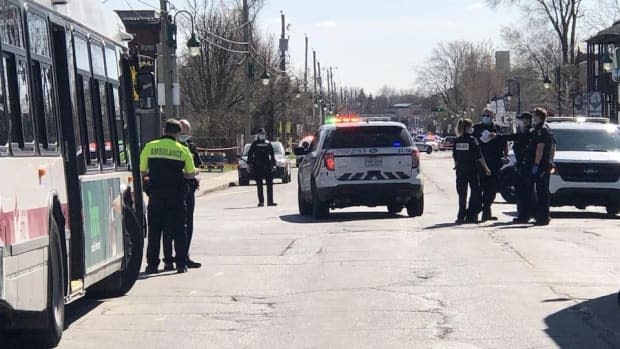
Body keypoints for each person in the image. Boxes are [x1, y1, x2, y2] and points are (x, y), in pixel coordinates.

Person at [140, 119, 196, 274]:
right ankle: (180, 264)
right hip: (176, 196)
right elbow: (190, 174)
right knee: (179, 230)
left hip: (156, 195)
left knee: (154, 231)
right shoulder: (183, 149)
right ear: (178, 134)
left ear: (164, 130)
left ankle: (152, 265)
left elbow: (143, 171)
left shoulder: (150, 147)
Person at [162, 119, 203, 271]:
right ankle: (169, 259)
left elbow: (197, 166)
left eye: (187, 132)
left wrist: (195, 174)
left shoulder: (190, 146)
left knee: (188, 225)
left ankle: (185, 256)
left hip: (188, 189)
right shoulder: (171, 146)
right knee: (170, 226)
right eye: (182, 132)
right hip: (173, 189)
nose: (184, 135)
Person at [453, 118, 492, 224]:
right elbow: (479, 156)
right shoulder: (472, 140)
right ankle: (471, 215)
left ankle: (461, 215)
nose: (472, 129)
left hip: (461, 170)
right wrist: (486, 168)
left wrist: (456, 166)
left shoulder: (457, 140)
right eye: (471, 127)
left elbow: (455, 156)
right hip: (472, 169)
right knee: (475, 191)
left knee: (462, 194)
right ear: (467, 128)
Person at [473, 108, 509, 222]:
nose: (486, 117)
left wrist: (505, 155)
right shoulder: (477, 128)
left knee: (492, 188)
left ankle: (487, 211)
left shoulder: (496, 128)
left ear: (492, 117)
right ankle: (476, 212)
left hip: (495, 162)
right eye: (484, 115)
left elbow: (504, 142)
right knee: (480, 188)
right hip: (480, 162)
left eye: (488, 116)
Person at [502, 113, 535, 223]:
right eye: (521, 120)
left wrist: (499, 136)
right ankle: (523, 214)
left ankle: (525, 215)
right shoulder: (522, 132)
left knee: (525, 192)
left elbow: (515, 138)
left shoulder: (530, 132)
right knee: (520, 192)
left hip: (527, 166)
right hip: (520, 164)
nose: (522, 122)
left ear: (529, 121)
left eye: (524, 120)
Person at [529, 108, 555, 226]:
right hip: (546, 163)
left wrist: (536, 164)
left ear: (538, 116)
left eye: (534, 115)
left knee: (541, 191)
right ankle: (545, 215)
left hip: (540, 165)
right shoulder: (548, 128)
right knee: (544, 190)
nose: (533, 118)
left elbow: (540, 147)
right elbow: (554, 146)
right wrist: (550, 160)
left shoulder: (540, 130)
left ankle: (542, 217)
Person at [248, 128, 277, 207]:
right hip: (258, 166)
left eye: (263, 134)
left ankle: (270, 201)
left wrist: (273, 164)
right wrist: (249, 164)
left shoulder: (268, 143)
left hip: (267, 166)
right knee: (259, 185)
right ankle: (261, 202)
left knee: (270, 184)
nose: (262, 135)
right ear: (258, 135)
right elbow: (250, 154)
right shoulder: (254, 144)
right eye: (261, 134)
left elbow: (272, 155)